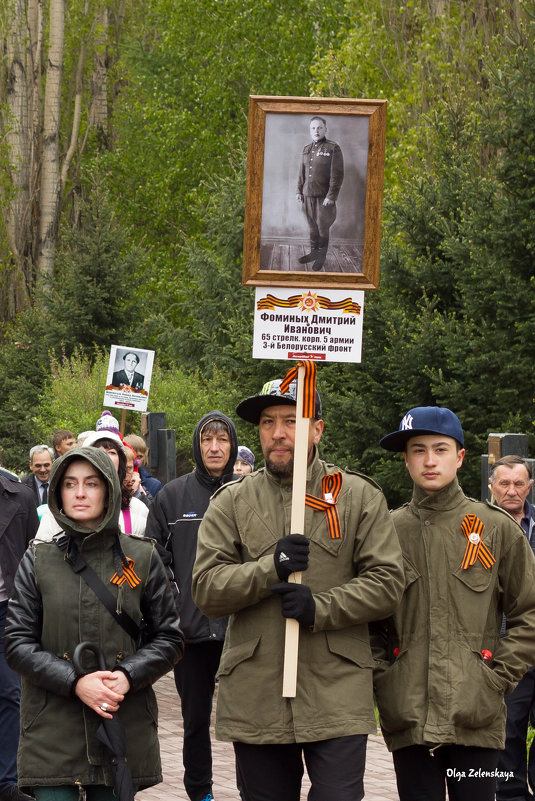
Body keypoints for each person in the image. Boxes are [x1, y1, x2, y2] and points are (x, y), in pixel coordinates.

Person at [191, 379, 404, 801]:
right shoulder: (231, 502)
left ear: (317, 430)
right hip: (257, 690)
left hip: (337, 688)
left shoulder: (357, 496)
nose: (278, 433)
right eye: (268, 422)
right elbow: (206, 589)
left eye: (292, 420)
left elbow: (387, 583)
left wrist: (320, 608)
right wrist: (268, 568)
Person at [374, 407, 535, 801]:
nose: (430, 460)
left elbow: (528, 612)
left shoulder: (497, 529)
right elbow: (369, 620)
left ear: (460, 456)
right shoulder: (386, 532)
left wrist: (495, 679)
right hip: (409, 718)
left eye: (440, 449)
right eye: (418, 450)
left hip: (475, 721)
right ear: (406, 458)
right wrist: (385, 678)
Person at [4, 447, 183, 801]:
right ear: (58, 492)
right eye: (70, 484)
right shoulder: (37, 559)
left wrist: (128, 675)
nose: (80, 493)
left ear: (109, 491)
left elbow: (169, 638)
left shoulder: (141, 556)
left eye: (91, 483)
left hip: (120, 721)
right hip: (52, 726)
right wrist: (75, 682)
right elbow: (16, 643)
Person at [146, 411, 238, 801]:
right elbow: (154, 559)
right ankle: (200, 792)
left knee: (246, 722)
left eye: (222, 440)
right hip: (191, 633)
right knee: (195, 721)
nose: (215, 447)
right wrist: (175, 606)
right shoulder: (172, 496)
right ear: (198, 447)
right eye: (207, 440)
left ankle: (255, 787)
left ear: (232, 446)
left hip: (242, 632)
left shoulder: (248, 492)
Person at [490, 456, 535, 801]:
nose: (511, 490)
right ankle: (511, 796)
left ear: (529, 486)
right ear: (492, 486)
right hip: (506, 647)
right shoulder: (477, 527)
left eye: (519, 483)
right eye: (504, 483)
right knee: (508, 731)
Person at [0, 471, 39, 801]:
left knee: (11, 692)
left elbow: (32, 555)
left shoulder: (21, 496)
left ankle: (7, 780)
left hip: (5, 610)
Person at [37, 431, 148, 538]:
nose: (80, 494)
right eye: (70, 484)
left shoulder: (137, 509)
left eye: (112, 452)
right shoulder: (54, 515)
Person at [296, 116, 344, 272]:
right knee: (312, 227)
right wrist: (299, 190)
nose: (316, 131)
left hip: (324, 198)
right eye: (313, 128)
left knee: (323, 228)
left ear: (325, 129)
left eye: (319, 128)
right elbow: (301, 173)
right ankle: (314, 252)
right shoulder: (306, 149)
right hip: (307, 196)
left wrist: (331, 196)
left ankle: (321, 257)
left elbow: (337, 175)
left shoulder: (333, 148)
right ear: (310, 130)